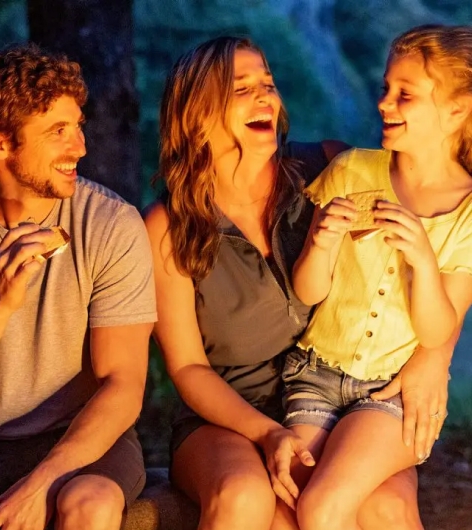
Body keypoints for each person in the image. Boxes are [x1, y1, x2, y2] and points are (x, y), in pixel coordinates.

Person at [144, 35, 452, 530]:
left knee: (385, 509)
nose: (266, 96)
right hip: (228, 417)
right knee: (247, 497)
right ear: (196, 112)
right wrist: (268, 434)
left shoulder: (331, 169)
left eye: (267, 83)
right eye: (241, 88)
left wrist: (435, 358)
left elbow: (442, 242)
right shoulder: (167, 226)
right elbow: (186, 369)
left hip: (351, 400)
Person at [0, 43, 156, 530]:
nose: (80, 146)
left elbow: (123, 384)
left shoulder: (110, 224)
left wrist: (44, 480)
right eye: (58, 131)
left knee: (91, 505)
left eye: (78, 125)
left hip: (79, 433)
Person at [283, 24, 472, 530]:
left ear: (456, 111)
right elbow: (308, 293)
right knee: (296, 497)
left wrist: (423, 262)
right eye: (386, 89)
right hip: (313, 378)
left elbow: (437, 333)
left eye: (404, 95)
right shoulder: (350, 171)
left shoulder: (467, 212)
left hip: (390, 393)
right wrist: (322, 240)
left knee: (322, 509)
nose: (385, 103)